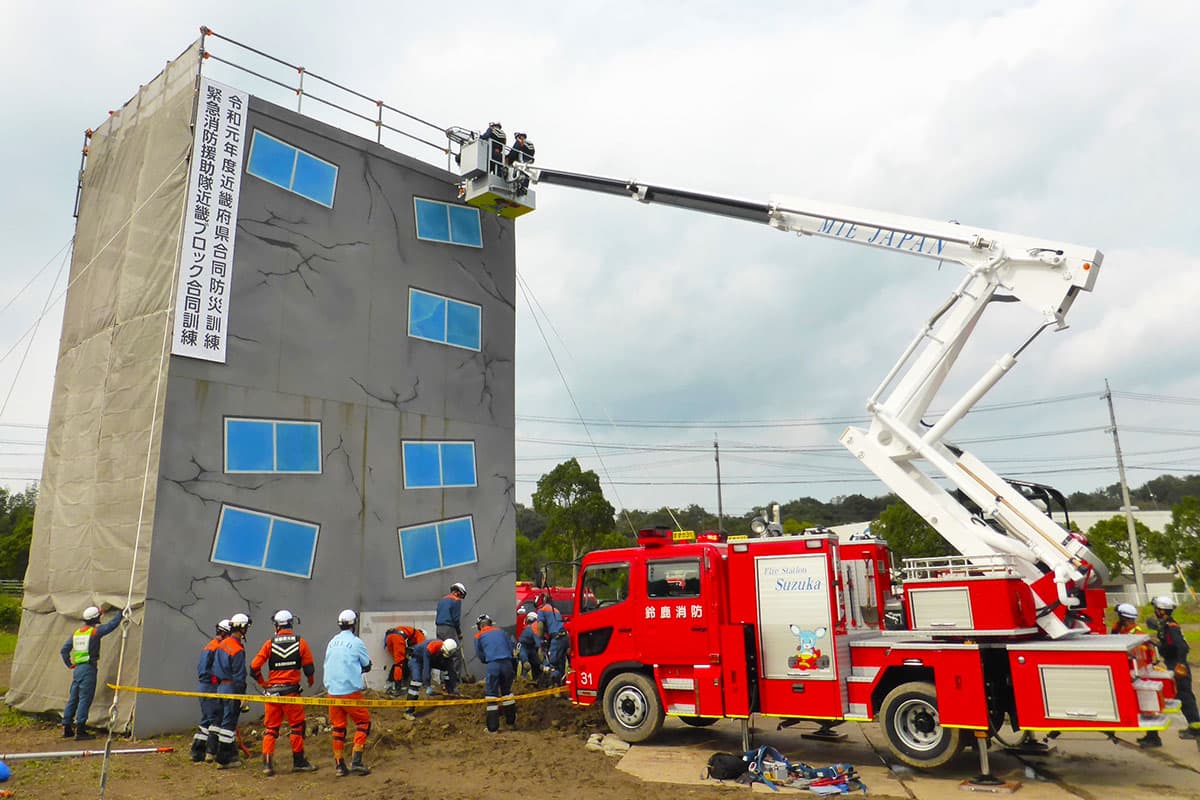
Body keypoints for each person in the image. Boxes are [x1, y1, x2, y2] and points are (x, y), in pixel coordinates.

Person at [251, 610, 317, 775]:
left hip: (272, 693)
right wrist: (310, 680)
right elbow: (309, 668)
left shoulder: (269, 643)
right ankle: (299, 761)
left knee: (271, 729)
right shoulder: (301, 642)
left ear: (276, 626)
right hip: (291, 694)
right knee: (296, 727)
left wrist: (263, 683)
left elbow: (254, 667)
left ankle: (267, 765)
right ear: (290, 624)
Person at [59, 604, 121, 740]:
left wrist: (70, 664)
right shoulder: (94, 632)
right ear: (96, 618)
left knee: (73, 698)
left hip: (78, 670)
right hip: (88, 669)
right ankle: (80, 730)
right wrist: (121, 613)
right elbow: (111, 626)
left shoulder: (77, 633)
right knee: (85, 699)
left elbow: (64, 651)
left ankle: (67, 727)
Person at [324, 610, 372, 777]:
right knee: (364, 723)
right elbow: (367, 664)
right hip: (350, 691)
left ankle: (339, 765)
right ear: (354, 624)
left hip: (332, 692)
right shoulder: (356, 642)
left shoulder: (332, 642)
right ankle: (356, 761)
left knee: (338, 728)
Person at [1112, 604, 1161, 748]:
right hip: (1128, 671)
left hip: (1138, 672)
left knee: (1146, 703)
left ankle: (1153, 737)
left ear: (1125, 618)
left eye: (1120, 616)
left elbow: (1143, 656)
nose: (1118, 619)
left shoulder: (1137, 634)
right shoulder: (1122, 630)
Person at [1152, 596, 1200, 740]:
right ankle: (1195, 727)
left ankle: (1196, 728)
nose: (1155, 611)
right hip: (1174, 663)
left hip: (1178, 665)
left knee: (1184, 696)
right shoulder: (1166, 624)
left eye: (1157, 609)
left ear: (1162, 610)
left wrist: (1179, 665)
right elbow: (1169, 645)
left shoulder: (1171, 627)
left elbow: (1181, 647)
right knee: (1182, 695)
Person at [211, 613, 250, 768]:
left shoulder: (222, 644)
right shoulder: (237, 649)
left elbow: (214, 667)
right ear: (242, 628)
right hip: (232, 687)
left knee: (221, 721)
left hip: (220, 687)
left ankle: (217, 752)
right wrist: (242, 695)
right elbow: (239, 674)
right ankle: (224, 759)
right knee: (229, 724)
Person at [191, 619, 232, 762]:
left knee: (207, 719)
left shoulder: (211, 646)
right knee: (215, 718)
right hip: (210, 686)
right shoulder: (216, 648)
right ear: (224, 633)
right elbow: (205, 670)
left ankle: (198, 751)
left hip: (207, 686)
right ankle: (210, 750)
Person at [474, 613, 517, 733]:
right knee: (507, 694)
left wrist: (487, 659)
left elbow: (480, 654)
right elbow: (510, 646)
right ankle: (511, 723)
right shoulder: (501, 631)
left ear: (479, 626)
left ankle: (493, 728)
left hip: (493, 664)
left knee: (491, 695)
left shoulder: (478, 635)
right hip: (507, 663)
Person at [404, 637, 459, 721]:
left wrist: (454, 686)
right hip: (417, 659)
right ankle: (408, 711)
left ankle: (450, 693)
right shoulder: (431, 647)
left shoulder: (448, 651)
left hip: (432, 659)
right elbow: (427, 667)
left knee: (447, 670)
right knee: (416, 681)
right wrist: (427, 684)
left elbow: (450, 669)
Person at [435, 583, 467, 689]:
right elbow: (456, 619)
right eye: (461, 595)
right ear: (458, 592)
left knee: (443, 653)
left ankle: (443, 681)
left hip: (439, 628)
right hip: (449, 628)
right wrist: (459, 633)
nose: (461, 598)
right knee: (455, 653)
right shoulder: (456, 601)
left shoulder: (442, 600)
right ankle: (454, 680)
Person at [383, 625, 426, 697]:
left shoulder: (408, 630)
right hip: (397, 638)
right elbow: (422, 648)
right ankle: (397, 688)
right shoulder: (420, 634)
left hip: (389, 638)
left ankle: (390, 683)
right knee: (399, 663)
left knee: (398, 662)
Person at [538, 598, 568, 685]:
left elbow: (540, 626)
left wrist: (540, 641)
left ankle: (554, 686)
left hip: (557, 638)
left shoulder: (542, 610)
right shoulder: (556, 610)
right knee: (561, 663)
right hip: (565, 637)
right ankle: (562, 684)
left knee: (553, 663)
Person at [516, 611, 543, 682]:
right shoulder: (533, 629)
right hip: (526, 647)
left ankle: (528, 679)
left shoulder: (527, 628)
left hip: (529, 647)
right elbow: (538, 644)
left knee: (534, 665)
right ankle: (525, 679)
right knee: (528, 665)